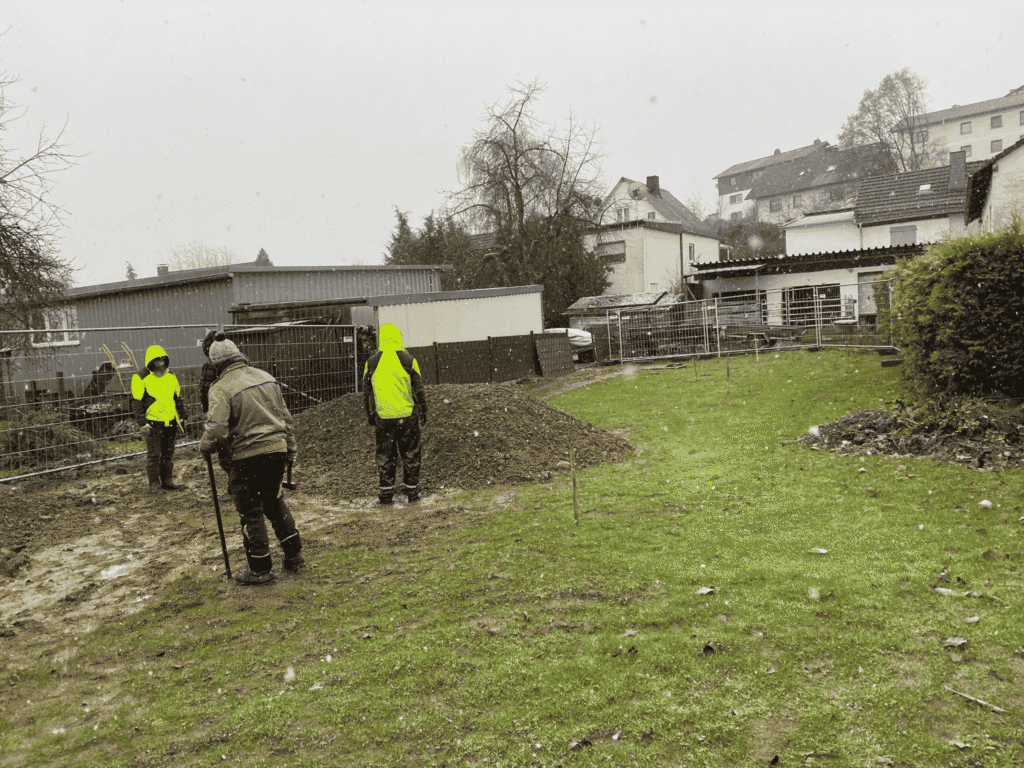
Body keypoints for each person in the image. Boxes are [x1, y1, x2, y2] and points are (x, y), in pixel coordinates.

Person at [198, 334, 304, 585]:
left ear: (216, 364)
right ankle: (294, 556)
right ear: (238, 354)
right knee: (275, 502)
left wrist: (205, 446)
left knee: (251, 511)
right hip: (276, 451)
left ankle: (260, 568)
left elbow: (217, 428)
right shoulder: (266, 377)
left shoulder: (220, 387)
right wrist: (290, 449)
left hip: (247, 455)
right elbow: (285, 418)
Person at [362, 324, 427, 504]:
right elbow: (419, 389)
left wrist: (370, 415)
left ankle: (385, 494)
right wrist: (424, 410)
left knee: (385, 456)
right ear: (398, 337)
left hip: (383, 418)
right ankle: (412, 493)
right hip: (407, 417)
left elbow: (366, 393)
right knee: (411, 454)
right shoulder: (409, 360)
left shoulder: (371, 363)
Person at [131, 344, 187, 493]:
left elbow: (177, 397)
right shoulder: (140, 377)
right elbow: (136, 402)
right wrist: (143, 423)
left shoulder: (171, 376)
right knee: (154, 455)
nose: (161, 363)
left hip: (170, 421)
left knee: (168, 454)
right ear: (151, 361)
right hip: (152, 423)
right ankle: (154, 485)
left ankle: (167, 481)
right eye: (157, 360)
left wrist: (183, 416)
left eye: (163, 360)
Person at [199, 330, 233, 502]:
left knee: (226, 456)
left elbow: (205, 391)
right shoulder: (239, 365)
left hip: (220, 413)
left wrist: (207, 412)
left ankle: (234, 490)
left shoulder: (210, 366)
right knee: (236, 452)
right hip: (237, 412)